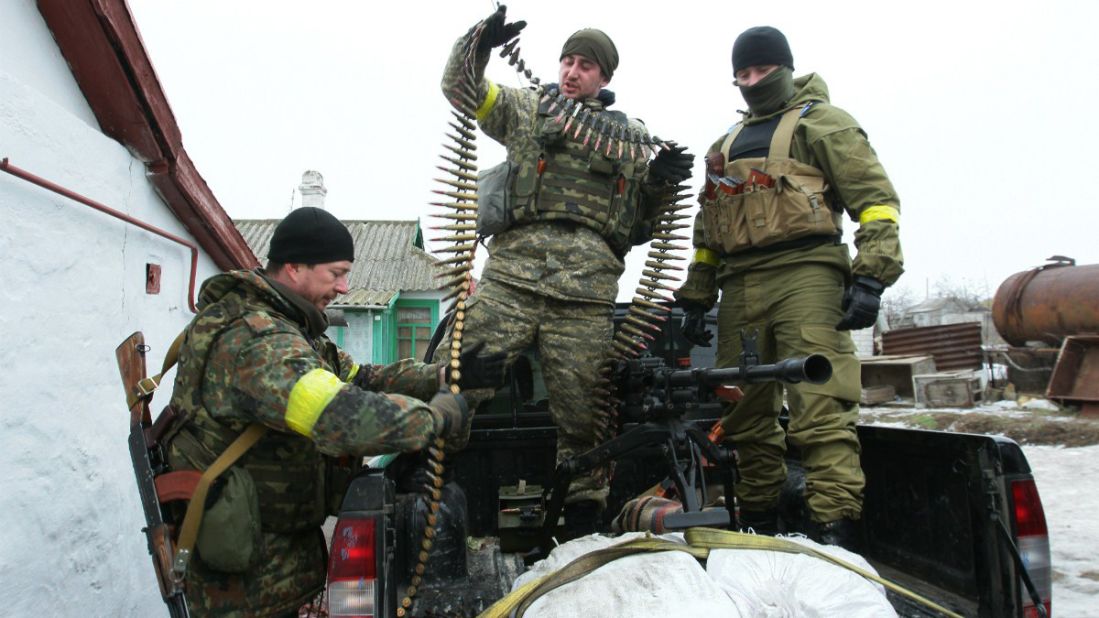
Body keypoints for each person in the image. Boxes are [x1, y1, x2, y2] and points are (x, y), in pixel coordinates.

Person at [161, 207, 506, 616]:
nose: (344, 287)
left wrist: (441, 375)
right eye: (336, 273)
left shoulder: (291, 331)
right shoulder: (257, 341)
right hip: (240, 589)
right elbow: (340, 416)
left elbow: (361, 378)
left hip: (267, 567)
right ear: (293, 267)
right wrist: (436, 417)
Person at [437, 6, 694, 534]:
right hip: (512, 282)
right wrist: (478, 43)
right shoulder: (526, 110)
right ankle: (427, 473)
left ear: (605, 76)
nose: (572, 72)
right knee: (455, 376)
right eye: (567, 61)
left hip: (587, 297)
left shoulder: (629, 139)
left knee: (587, 415)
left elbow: (640, 225)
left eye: (585, 65)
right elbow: (460, 89)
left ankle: (582, 510)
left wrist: (660, 184)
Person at [674, 26, 904, 549]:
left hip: (808, 275)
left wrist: (872, 275)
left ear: (786, 68)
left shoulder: (824, 124)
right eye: (743, 74)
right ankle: (759, 526)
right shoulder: (723, 145)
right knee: (745, 414)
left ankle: (834, 537)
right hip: (740, 288)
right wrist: (696, 296)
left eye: (762, 71)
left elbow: (877, 201)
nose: (753, 82)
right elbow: (708, 232)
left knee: (820, 411)